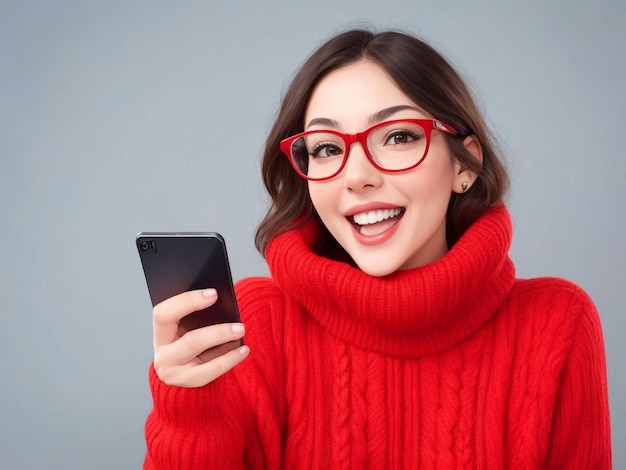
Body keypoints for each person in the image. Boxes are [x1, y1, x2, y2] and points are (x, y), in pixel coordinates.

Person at [143, 29, 611, 469]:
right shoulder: (253, 327)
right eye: (326, 148)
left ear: (463, 165)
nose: (356, 175)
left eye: (398, 137)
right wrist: (188, 412)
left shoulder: (559, 324)